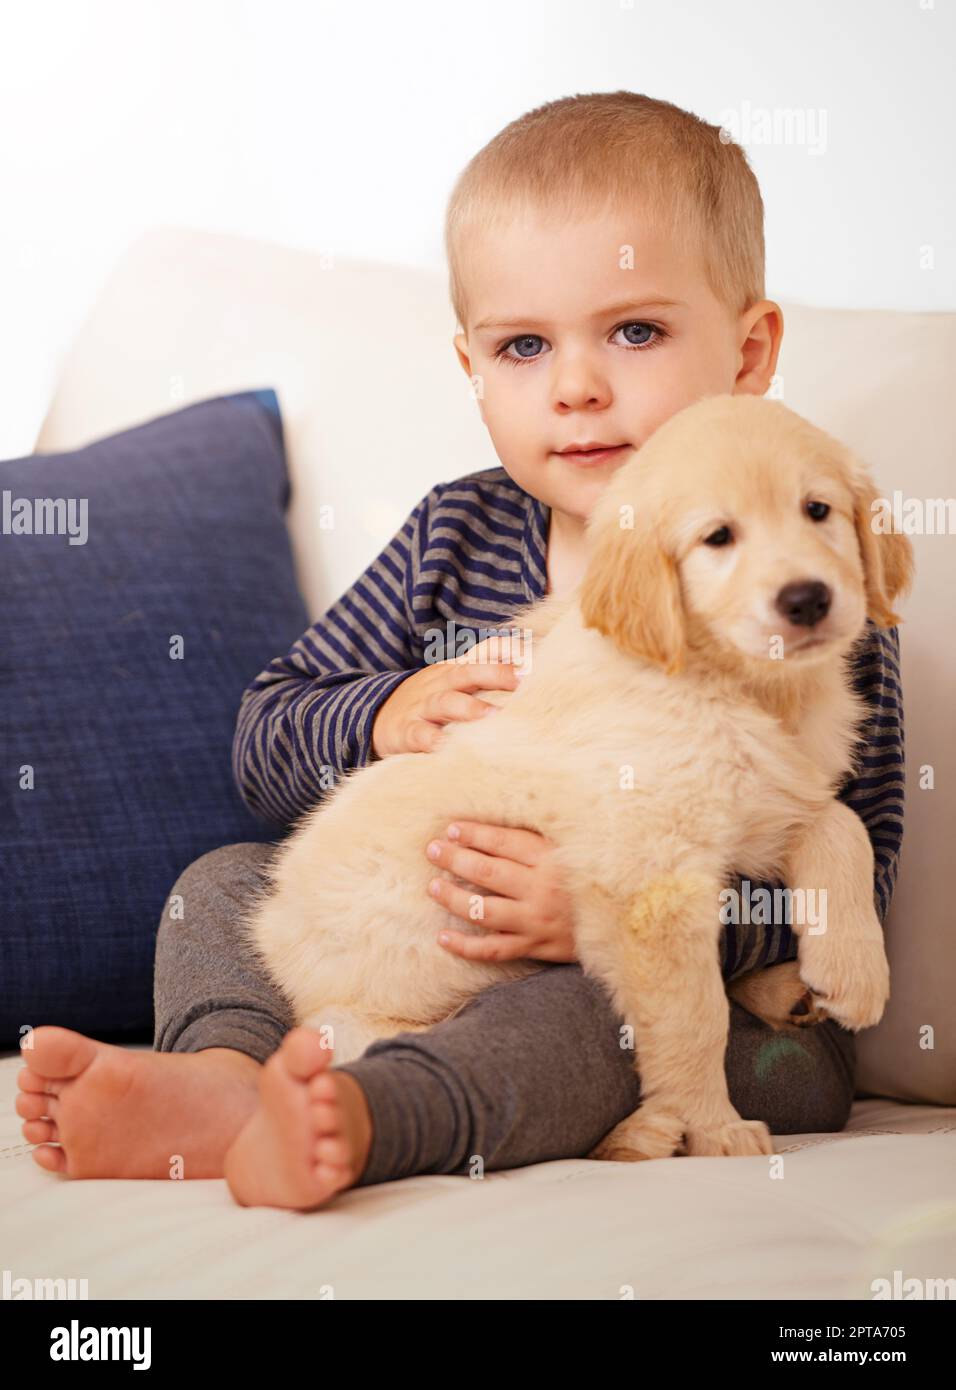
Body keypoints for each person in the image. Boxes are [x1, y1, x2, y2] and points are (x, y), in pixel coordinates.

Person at [16, 91, 903, 1211]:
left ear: (747, 347)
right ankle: (222, 1079)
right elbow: (266, 735)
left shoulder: (803, 581)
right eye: (523, 346)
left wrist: (598, 915)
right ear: (473, 369)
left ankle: (378, 1116)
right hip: (409, 934)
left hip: (671, 1003)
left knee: (604, 1014)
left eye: (633, 330)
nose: (575, 385)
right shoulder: (457, 534)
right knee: (220, 881)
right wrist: (378, 714)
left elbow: (853, 881)